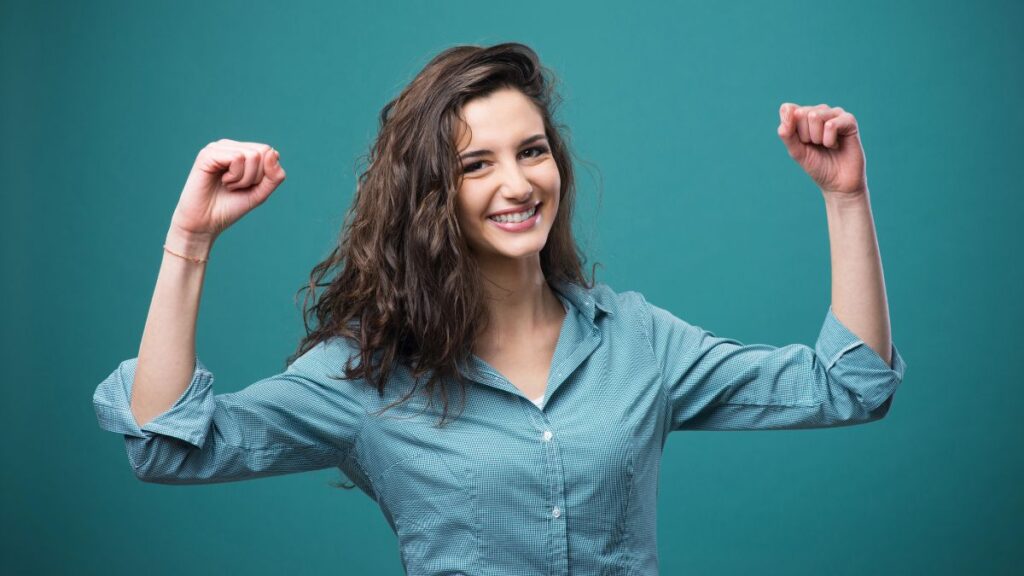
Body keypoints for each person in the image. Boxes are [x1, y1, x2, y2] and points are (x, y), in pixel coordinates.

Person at [93, 42, 906, 574]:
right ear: (429, 196)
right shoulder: (369, 376)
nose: (517, 184)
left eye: (532, 151)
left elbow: (851, 385)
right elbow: (168, 448)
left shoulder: (639, 344)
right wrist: (189, 244)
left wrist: (845, 199)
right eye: (476, 164)